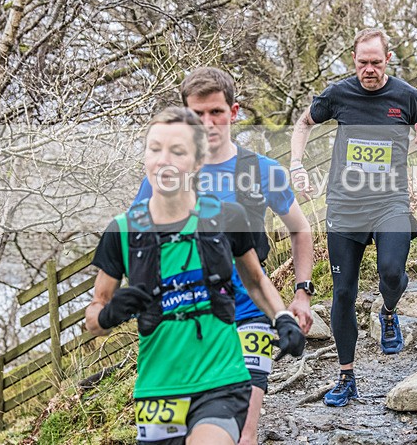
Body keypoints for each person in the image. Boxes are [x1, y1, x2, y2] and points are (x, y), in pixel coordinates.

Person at [86, 107, 305, 445]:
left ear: (199, 161)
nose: (164, 160)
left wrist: (282, 317)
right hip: (158, 388)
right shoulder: (122, 231)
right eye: (155, 148)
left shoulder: (227, 217)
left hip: (221, 378)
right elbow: (93, 318)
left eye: (177, 151)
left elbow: (255, 280)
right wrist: (109, 313)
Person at [289, 28, 417, 407]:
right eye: (362, 63)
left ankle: (388, 313)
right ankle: (346, 376)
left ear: (387, 60)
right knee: (343, 293)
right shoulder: (338, 94)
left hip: (390, 202)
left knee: (393, 272)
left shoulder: (406, 96)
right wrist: (296, 165)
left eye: (376, 62)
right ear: (354, 60)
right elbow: (303, 123)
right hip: (344, 207)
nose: (369, 70)